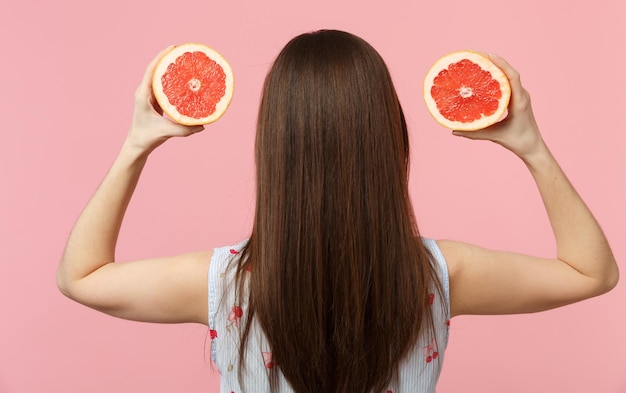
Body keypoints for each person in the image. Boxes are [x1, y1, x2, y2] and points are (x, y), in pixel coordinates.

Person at [56, 30, 618, 393]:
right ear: (391, 139)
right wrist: (531, 146)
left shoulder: (225, 284)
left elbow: (81, 277)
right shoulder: (438, 276)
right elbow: (591, 272)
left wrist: (136, 144)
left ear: (272, 149)